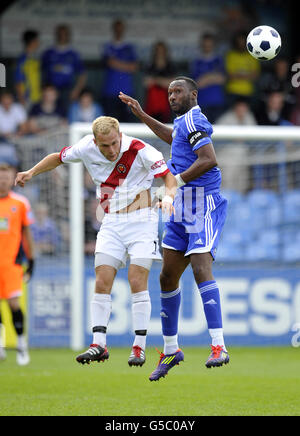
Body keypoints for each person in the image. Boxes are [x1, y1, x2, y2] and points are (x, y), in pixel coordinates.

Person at [15, 116, 177, 367]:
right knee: (102, 280)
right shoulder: (85, 147)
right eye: (105, 146)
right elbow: (57, 157)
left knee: (136, 279)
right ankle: (98, 344)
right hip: (111, 222)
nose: (111, 150)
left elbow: (169, 178)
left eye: (114, 143)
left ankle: (139, 347)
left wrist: (167, 198)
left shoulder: (141, 150)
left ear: (120, 135)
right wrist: (31, 172)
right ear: (95, 142)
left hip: (142, 220)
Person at [119, 76, 229, 381]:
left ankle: (218, 345)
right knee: (167, 276)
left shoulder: (196, 119)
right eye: (169, 92)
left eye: (178, 91)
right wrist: (142, 115)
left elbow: (209, 159)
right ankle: (171, 350)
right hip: (182, 202)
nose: (171, 96)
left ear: (193, 94)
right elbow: (173, 137)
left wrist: (175, 182)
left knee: (199, 266)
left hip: (201, 199)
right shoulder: (183, 123)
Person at [0, 159, 35, 365]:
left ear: (11, 179)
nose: (3, 182)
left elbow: (27, 233)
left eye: (6, 178)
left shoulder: (20, 203)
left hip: (12, 264)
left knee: (14, 305)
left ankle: (21, 345)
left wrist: (32, 260)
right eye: (0, 178)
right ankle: (2, 346)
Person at [42, 24, 87, 113]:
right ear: (56, 35)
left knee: (67, 113)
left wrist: (76, 90)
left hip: (68, 90)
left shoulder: (73, 54)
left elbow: (82, 74)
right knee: (50, 113)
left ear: (68, 35)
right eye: (60, 34)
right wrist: (43, 89)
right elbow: (41, 72)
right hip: (51, 90)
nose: (62, 36)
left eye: (65, 34)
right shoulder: (48, 53)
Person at [101, 19, 138, 122]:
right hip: (110, 91)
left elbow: (134, 67)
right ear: (113, 29)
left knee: (127, 122)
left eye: (120, 28)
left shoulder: (129, 48)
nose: (118, 30)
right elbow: (109, 62)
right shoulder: (108, 47)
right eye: (116, 28)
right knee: (109, 123)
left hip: (127, 91)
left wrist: (116, 63)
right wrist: (126, 66)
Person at [190, 33, 226, 123]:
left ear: (214, 45)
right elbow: (197, 83)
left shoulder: (219, 60)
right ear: (202, 45)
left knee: (218, 131)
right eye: (205, 45)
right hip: (202, 102)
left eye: (210, 45)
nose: (207, 47)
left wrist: (206, 78)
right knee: (203, 131)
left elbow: (222, 79)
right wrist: (213, 77)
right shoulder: (196, 62)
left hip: (218, 101)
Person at [143, 41, 176, 123]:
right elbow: (146, 83)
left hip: (166, 104)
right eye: (158, 50)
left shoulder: (170, 66)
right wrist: (163, 82)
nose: (160, 53)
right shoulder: (150, 65)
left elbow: (173, 84)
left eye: (162, 51)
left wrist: (156, 80)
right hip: (152, 104)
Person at [225, 32, 260, 105]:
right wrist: (247, 75)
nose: (241, 44)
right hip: (233, 91)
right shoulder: (230, 55)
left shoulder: (252, 56)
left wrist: (238, 75)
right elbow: (230, 75)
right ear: (235, 42)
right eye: (239, 41)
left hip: (248, 92)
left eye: (243, 41)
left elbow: (255, 76)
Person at [14, 29, 41, 109]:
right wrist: (22, 100)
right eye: (37, 40)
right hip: (27, 100)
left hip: (38, 98)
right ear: (32, 42)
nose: (39, 43)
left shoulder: (36, 59)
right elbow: (18, 82)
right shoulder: (22, 60)